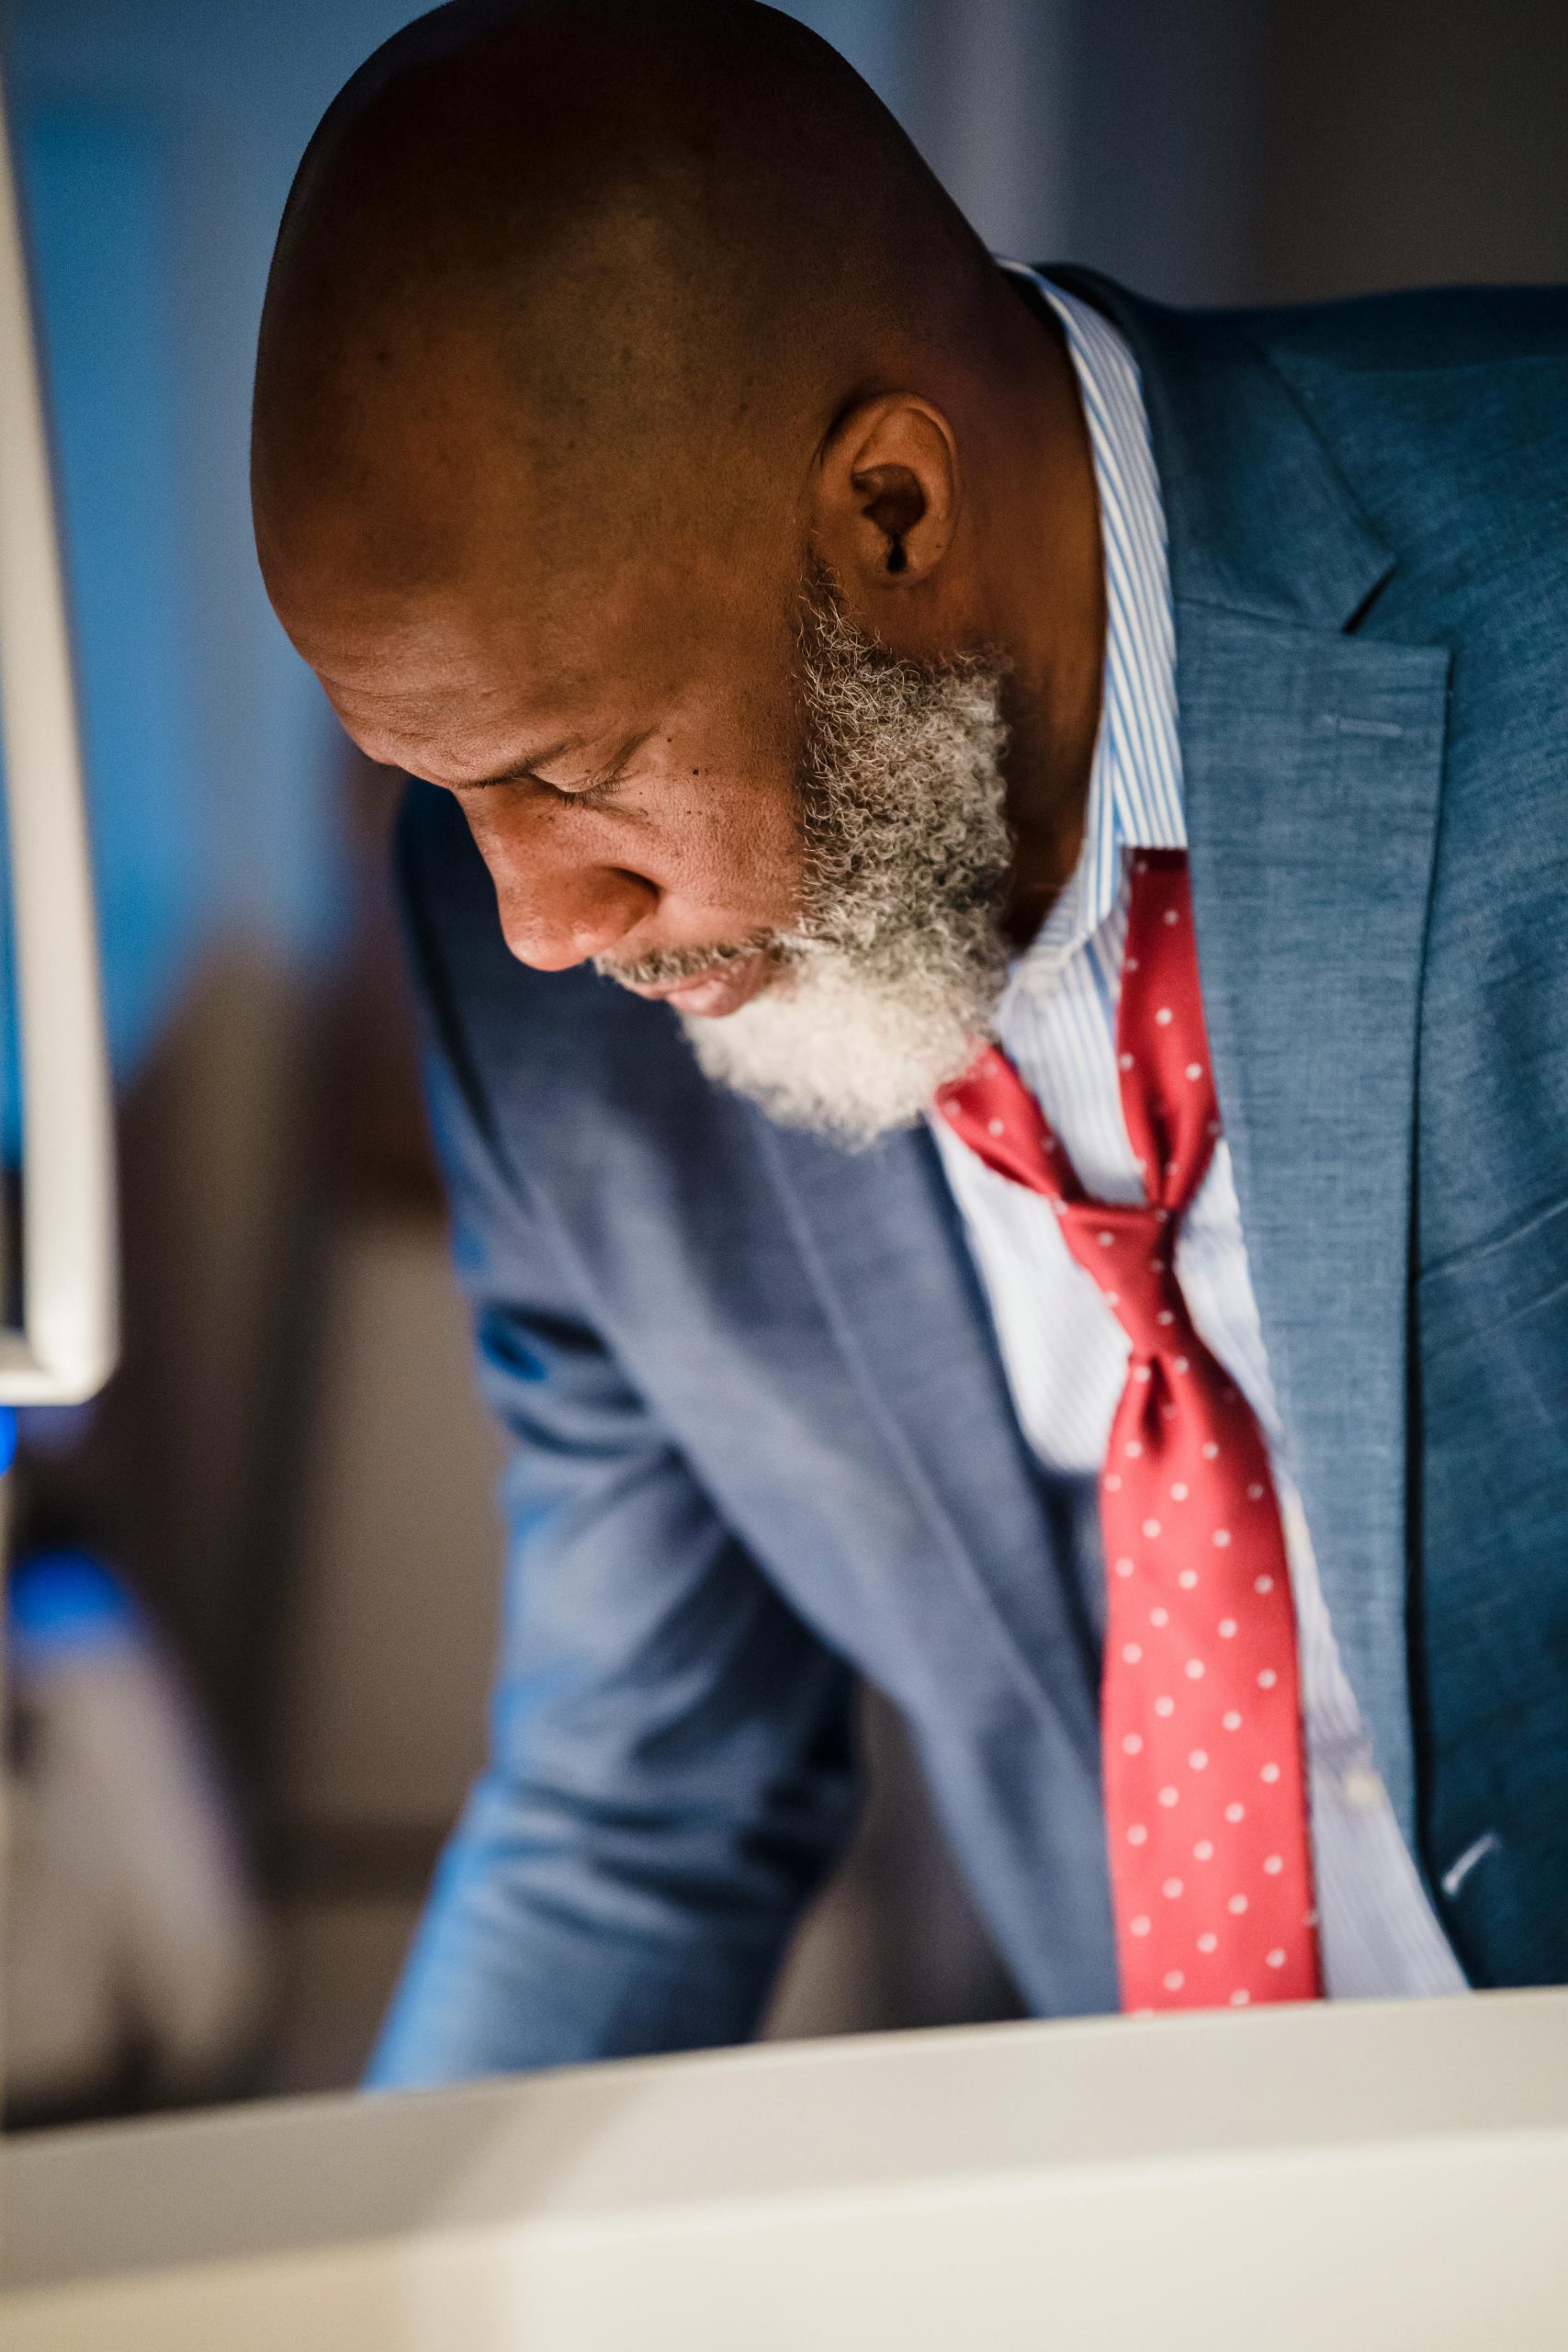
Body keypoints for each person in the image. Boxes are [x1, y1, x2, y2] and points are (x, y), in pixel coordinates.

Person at [251, 0, 1568, 2084]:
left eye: (573, 766)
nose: (531, 928)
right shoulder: (550, 1019)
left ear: (886, 510)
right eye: (442, 788)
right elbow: (638, 1805)